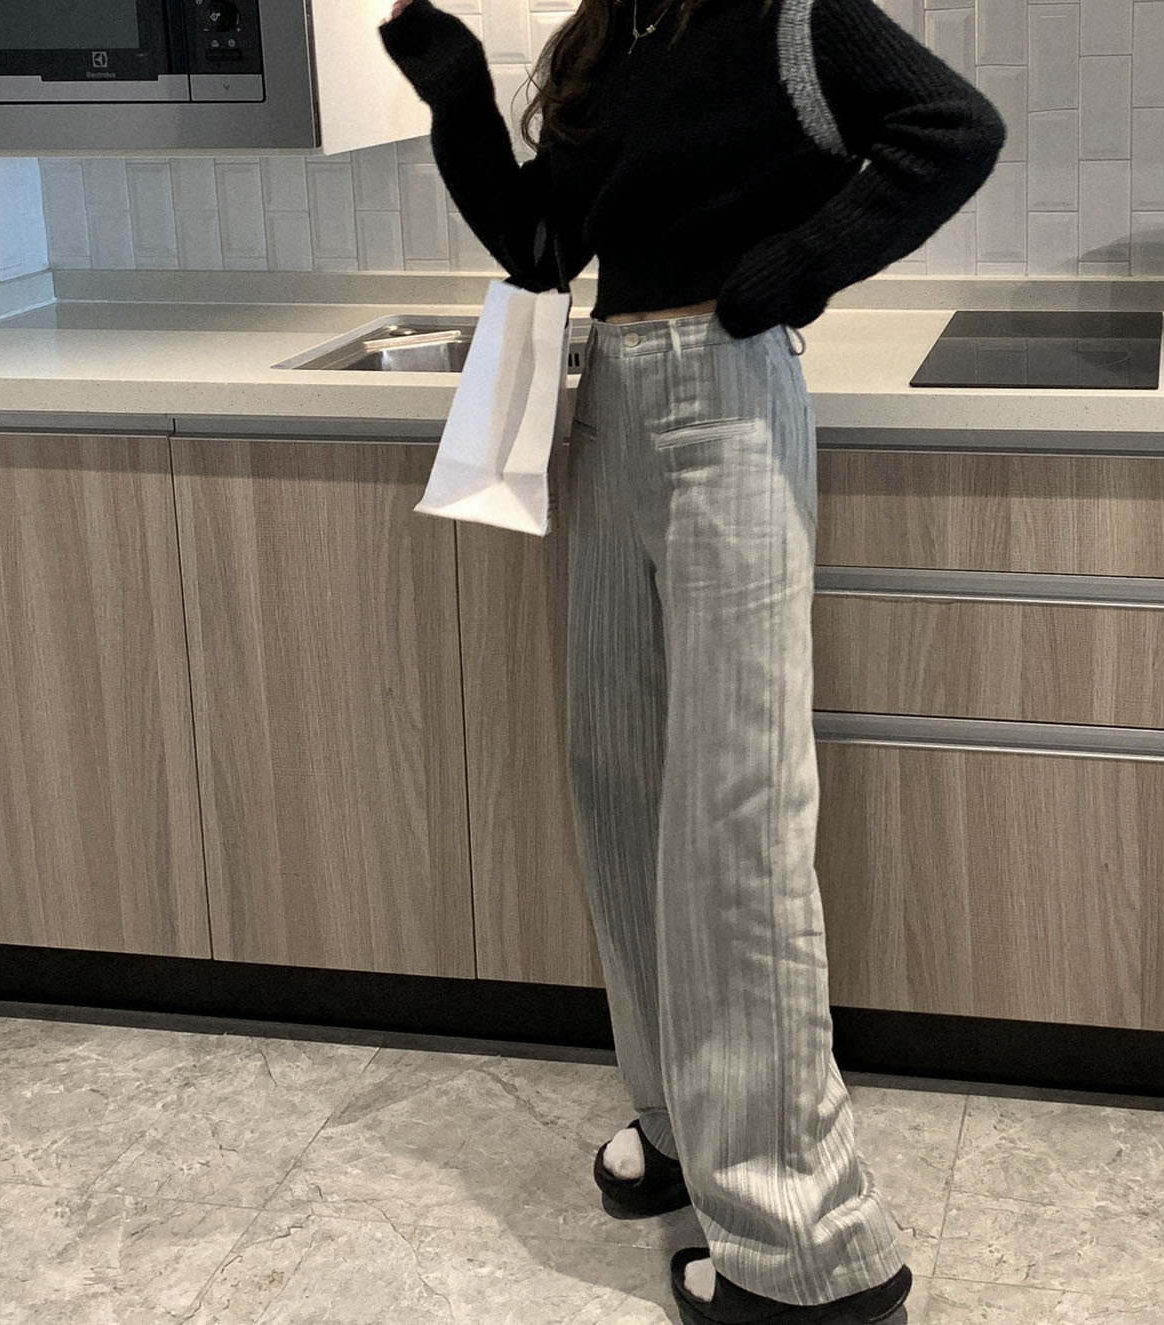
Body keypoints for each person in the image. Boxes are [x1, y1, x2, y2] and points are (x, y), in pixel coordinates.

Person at [379, 0, 1004, 1319]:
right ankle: (679, 1120)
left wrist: (805, 262)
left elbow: (953, 129)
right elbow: (543, 249)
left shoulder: (792, 20)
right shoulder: (617, 42)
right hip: (613, 396)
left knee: (734, 812)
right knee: (620, 775)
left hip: (728, 401)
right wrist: (458, 97)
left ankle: (809, 1251)